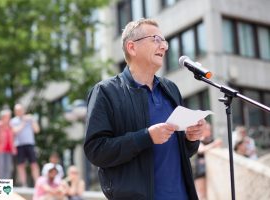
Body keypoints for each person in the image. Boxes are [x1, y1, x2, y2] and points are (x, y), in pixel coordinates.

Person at [84, 18, 206, 200]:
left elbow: (180, 152)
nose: (164, 47)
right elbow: (96, 151)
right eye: (156, 39)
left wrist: (191, 138)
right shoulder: (106, 91)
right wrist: (146, 137)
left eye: (164, 41)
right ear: (132, 47)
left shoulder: (170, 89)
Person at [10, 103, 40, 186]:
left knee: (34, 164)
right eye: (17, 110)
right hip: (19, 145)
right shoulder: (13, 121)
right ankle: (24, 184)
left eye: (20, 110)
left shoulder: (30, 118)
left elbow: (37, 130)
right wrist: (23, 122)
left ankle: (37, 184)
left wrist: (32, 120)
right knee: (20, 165)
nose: (19, 112)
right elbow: (15, 131)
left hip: (30, 144)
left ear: (23, 110)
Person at [194, 123, 222, 200]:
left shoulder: (212, 140)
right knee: (201, 194)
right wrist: (214, 144)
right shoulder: (198, 139)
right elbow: (201, 150)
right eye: (206, 129)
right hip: (200, 171)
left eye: (209, 129)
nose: (208, 130)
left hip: (212, 171)